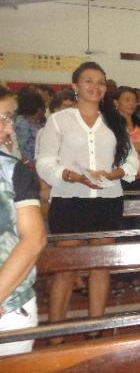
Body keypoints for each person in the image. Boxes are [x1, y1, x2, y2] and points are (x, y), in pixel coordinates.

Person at [36, 62, 139, 342]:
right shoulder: (59, 120)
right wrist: (70, 175)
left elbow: (131, 160)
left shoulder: (114, 120)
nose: (95, 87)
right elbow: (44, 162)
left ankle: (96, 328)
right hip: (70, 200)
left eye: (101, 83)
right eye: (88, 81)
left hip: (107, 200)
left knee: (100, 265)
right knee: (66, 270)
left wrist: (116, 172)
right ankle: (57, 335)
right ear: (75, 85)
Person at [0, 86, 47, 357]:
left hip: (8, 308)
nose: (8, 130)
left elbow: (34, 239)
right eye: (4, 118)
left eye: (10, 118)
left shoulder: (12, 172)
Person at [14, 89, 46, 163]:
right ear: (38, 108)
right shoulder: (22, 124)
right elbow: (24, 149)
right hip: (30, 164)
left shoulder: (36, 122)